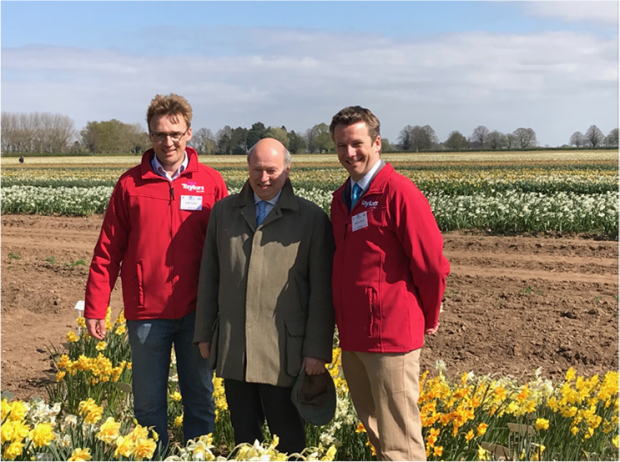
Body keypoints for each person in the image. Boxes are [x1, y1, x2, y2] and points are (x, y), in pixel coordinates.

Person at [84, 93, 228, 451]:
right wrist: (95, 306)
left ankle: (199, 457)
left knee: (200, 400)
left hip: (198, 312)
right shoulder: (130, 185)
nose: (168, 142)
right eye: (160, 134)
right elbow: (108, 251)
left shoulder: (210, 183)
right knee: (148, 406)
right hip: (147, 314)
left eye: (175, 133)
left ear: (189, 133)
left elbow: (227, 251)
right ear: (149, 135)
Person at [193, 138, 335, 455]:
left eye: (271, 170)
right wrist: (204, 332)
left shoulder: (311, 219)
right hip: (235, 347)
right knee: (244, 437)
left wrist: (316, 350)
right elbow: (209, 277)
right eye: (256, 169)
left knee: (288, 437)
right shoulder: (224, 213)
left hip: (285, 350)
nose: (263, 178)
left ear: (287, 169)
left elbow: (322, 293)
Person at [329, 106, 450, 461]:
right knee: (377, 432)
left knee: (401, 440)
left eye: (356, 143)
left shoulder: (399, 192)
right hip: (354, 335)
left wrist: (428, 315)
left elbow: (431, 264)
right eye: (340, 146)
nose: (349, 153)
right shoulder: (342, 198)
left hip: (391, 334)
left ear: (377, 143)